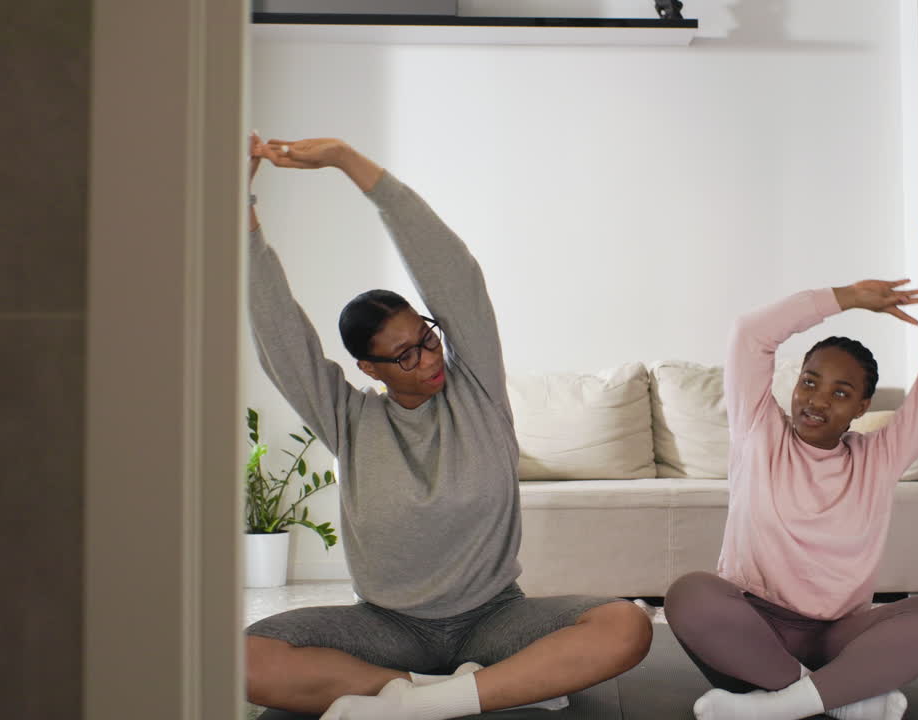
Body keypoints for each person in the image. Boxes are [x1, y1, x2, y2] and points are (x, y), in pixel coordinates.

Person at [243, 134, 652, 720]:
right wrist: (240, 210)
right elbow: (280, 336)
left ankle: (411, 701)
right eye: (404, 355)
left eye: (427, 338)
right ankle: (473, 690)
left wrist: (347, 162)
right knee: (244, 657)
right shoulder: (349, 420)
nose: (428, 359)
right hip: (387, 627)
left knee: (627, 625)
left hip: (495, 617)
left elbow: (455, 275)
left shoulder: (477, 390)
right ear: (369, 368)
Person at [664, 214, 918, 720]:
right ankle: (833, 700)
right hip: (753, 639)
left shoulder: (878, 458)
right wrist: (846, 297)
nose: (816, 400)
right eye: (809, 381)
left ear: (861, 407)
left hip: (838, 640)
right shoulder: (758, 431)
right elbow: (750, 334)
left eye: (840, 392)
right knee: (690, 595)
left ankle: (780, 707)